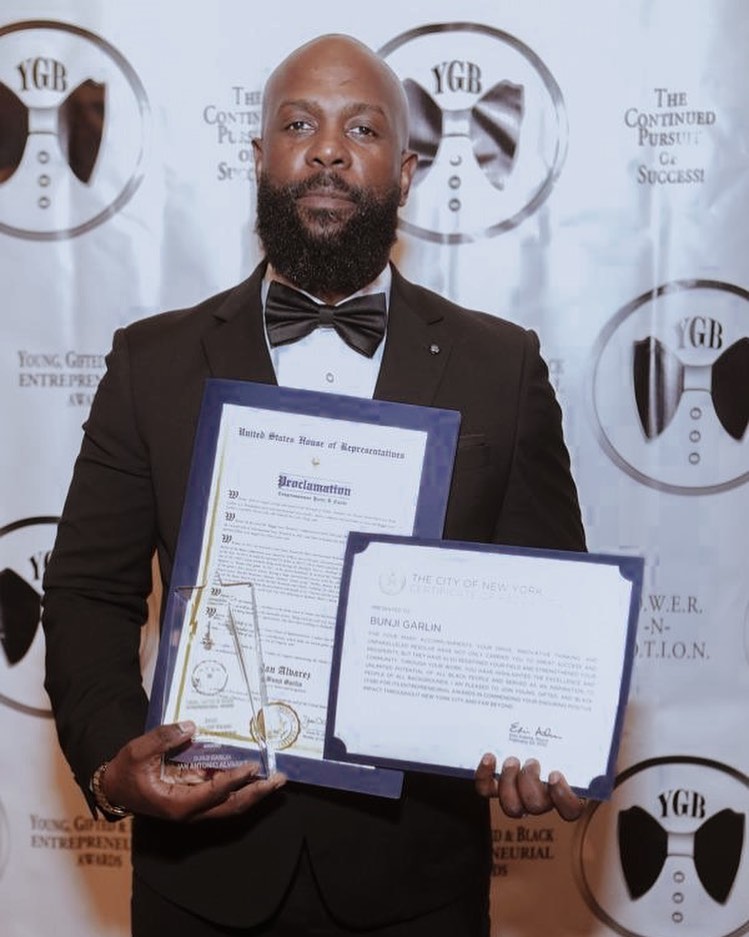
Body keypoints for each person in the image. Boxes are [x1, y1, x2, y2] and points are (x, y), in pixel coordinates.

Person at [42, 34, 587, 937]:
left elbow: (549, 605)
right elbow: (87, 592)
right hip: (199, 882)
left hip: (417, 888)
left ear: (404, 172)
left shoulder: (501, 367)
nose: (328, 150)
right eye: (299, 125)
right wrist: (111, 763)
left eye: (361, 129)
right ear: (260, 158)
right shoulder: (153, 362)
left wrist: (544, 739)